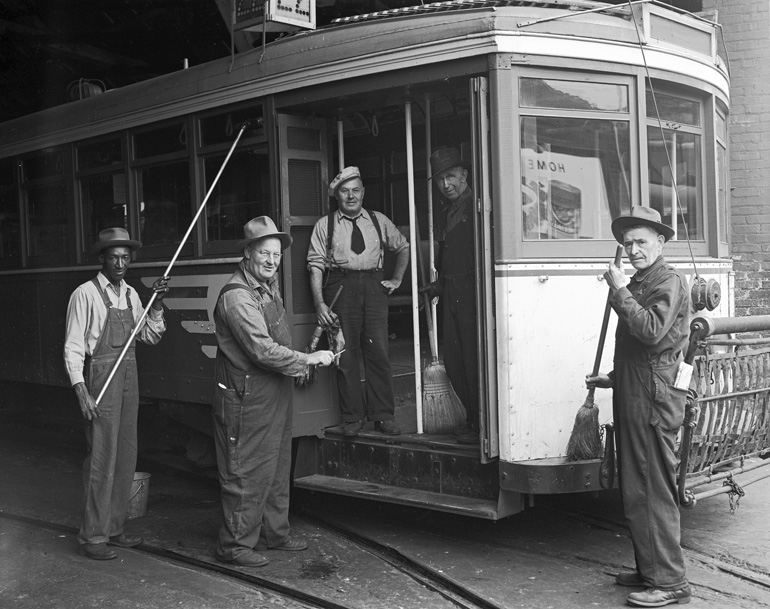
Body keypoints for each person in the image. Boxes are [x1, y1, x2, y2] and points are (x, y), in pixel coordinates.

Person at [213, 216, 335, 568]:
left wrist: (296, 365)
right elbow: (262, 350)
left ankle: (273, 533)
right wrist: (306, 359)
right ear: (248, 253)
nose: (271, 261)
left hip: (273, 390)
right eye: (264, 253)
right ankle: (234, 544)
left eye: (276, 255)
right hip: (246, 396)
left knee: (277, 464)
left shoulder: (267, 286)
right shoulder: (237, 297)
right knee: (246, 469)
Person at [586, 206, 691, 607]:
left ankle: (671, 581)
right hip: (636, 390)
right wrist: (612, 378)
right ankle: (650, 569)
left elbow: (650, 331)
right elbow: (647, 352)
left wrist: (620, 292)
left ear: (661, 242)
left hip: (653, 400)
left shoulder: (667, 282)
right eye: (627, 243)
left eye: (641, 242)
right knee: (635, 487)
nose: (632, 250)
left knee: (651, 488)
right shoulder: (643, 281)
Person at [64, 227, 169, 561]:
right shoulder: (85, 294)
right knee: (101, 458)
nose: (120, 263)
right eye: (114, 257)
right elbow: (73, 347)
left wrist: (157, 304)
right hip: (101, 377)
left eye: (125, 257)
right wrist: (81, 391)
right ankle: (93, 536)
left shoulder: (133, 295)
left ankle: (114, 528)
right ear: (102, 259)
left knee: (125, 454)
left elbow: (150, 338)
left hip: (129, 374)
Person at [307, 166, 410, 437]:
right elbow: (316, 265)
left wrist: (397, 279)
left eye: (355, 190)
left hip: (375, 289)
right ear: (337, 196)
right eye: (344, 191)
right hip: (340, 288)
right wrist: (320, 304)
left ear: (363, 193)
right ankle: (353, 417)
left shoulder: (378, 220)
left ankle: (383, 415)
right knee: (345, 354)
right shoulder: (325, 225)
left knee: (378, 353)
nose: (350, 196)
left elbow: (403, 247)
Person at [420, 147, 480, 445]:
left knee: (473, 360)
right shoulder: (449, 211)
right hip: (453, 294)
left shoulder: (476, 207)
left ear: (464, 175)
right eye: (441, 179)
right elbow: (450, 259)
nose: (447, 184)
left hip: (473, 295)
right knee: (456, 361)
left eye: (452, 176)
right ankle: (471, 418)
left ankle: (481, 423)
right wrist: (438, 285)